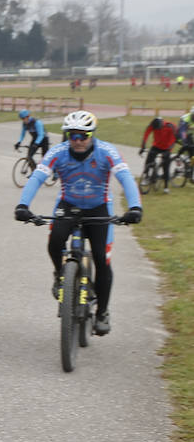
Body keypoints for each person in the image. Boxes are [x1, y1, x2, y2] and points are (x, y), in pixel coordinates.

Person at [15, 111, 141, 335]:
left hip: (98, 207)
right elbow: (37, 177)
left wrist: (135, 207)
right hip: (69, 205)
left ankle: (102, 312)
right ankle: (60, 274)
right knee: (54, 242)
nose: (78, 141)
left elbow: (126, 178)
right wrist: (23, 205)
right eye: (73, 136)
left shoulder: (107, 152)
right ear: (67, 136)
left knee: (102, 259)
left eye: (84, 136)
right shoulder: (59, 152)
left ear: (92, 135)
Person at [139, 114, 178, 193]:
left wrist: (169, 151)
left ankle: (166, 186)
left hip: (167, 148)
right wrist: (143, 147)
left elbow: (173, 140)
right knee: (148, 160)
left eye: (157, 128)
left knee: (166, 166)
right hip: (156, 146)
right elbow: (146, 135)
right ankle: (146, 177)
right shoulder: (153, 125)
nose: (156, 129)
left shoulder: (170, 126)